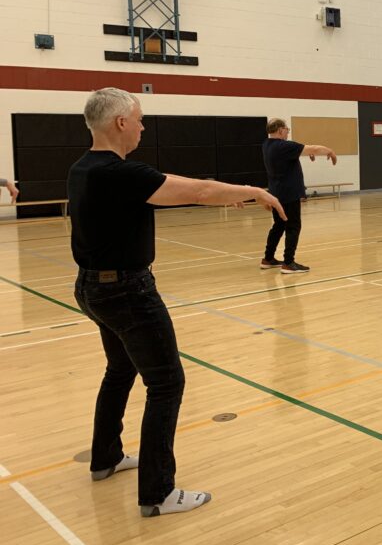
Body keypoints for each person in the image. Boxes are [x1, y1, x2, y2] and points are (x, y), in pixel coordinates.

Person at [69, 87, 285, 517]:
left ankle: (106, 456)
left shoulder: (83, 168)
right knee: (167, 383)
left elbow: (179, 194)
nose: (144, 126)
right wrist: (255, 191)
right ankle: (157, 492)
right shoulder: (119, 172)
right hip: (127, 292)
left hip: (92, 287)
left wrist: (227, 194)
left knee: (120, 369)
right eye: (140, 118)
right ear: (121, 123)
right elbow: (199, 191)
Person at [261, 118, 337, 274]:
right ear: (280, 130)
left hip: (276, 192)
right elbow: (314, 149)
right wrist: (330, 151)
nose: (288, 132)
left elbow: (291, 155)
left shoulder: (267, 145)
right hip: (289, 193)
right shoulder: (284, 146)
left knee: (279, 225)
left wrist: (303, 153)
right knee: (293, 226)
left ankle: (268, 259)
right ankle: (289, 262)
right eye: (287, 129)